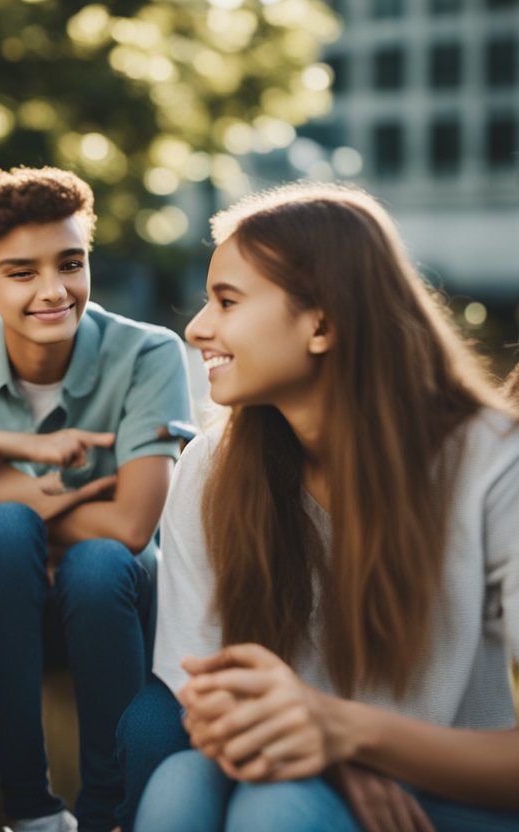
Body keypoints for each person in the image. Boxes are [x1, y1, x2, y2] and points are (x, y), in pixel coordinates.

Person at [137, 182, 519, 831]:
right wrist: (330, 758)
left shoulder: (491, 461)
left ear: (323, 322)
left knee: (277, 805)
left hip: (454, 797)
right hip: (290, 767)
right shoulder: (208, 466)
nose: (197, 327)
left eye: (227, 300)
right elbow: (203, 698)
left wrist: (343, 734)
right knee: (178, 786)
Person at [0, 166, 193, 832]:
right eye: (22, 272)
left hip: (112, 599)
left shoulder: (150, 353)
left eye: (71, 264)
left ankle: (104, 812)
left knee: (89, 561)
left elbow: (129, 527)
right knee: (5, 531)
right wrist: (44, 488)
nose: (54, 291)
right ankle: (28, 806)